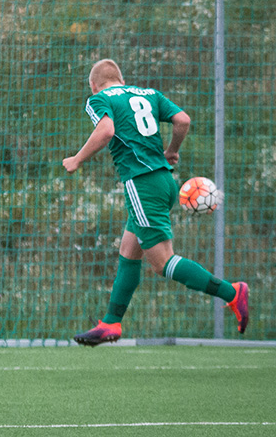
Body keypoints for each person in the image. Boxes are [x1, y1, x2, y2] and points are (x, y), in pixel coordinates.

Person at [63, 59, 248, 346]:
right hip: (165, 181)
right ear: (121, 78)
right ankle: (111, 322)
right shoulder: (149, 94)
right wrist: (171, 151)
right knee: (128, 249)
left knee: (163, 263)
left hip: (141, 183)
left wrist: (76, 159)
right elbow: (183, 120)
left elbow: (106, 131)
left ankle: (232, 293)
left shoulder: (98, 99)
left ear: (93, 84)